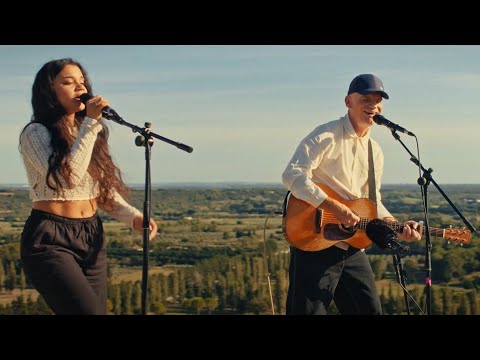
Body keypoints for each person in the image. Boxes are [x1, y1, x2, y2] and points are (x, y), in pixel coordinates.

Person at [18, 58, 158, 315]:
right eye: (68, 82)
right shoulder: (36, 133)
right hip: (51, 239)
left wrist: (133, 217)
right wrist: (91, 125)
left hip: (91, 235)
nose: (79, 88)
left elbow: (100, 190)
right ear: (49, 90)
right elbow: (67, 180)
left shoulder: (88, 131)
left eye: (82, 82)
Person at [281, 73, 421, 315]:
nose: (373, 106)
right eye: (366, 99)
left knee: (369, 310)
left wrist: (393, 224)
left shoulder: (374, 150)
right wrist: (334, 207)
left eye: (378, 101)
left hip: (353, 245)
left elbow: (372, 201)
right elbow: (292, 175)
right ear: (348, 102)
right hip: (316, 239)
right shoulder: (326, 135)